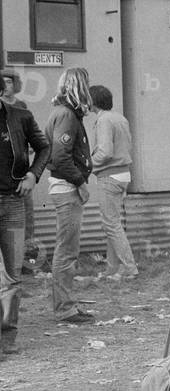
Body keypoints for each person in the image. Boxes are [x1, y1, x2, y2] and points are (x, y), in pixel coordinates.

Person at [0, 75, 49, 356]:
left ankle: (7, 339)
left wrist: (33, 174)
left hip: (12, 204)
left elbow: (44, 147)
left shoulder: (21, 117)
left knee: (12, 274)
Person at [45, 68, 94, 323]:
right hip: (67, 188)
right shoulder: (67, 116)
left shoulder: (64, 113)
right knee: (67, 250)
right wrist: (80, 183)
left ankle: (66, 305)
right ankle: (65, 308)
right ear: (79, 86)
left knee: (67, 249)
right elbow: (59, 157)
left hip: (64, 186)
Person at [88, 85, 139, 280]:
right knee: (112, 223)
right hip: (123, 174)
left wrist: (87, 164)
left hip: (109, 175)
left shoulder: (103, 120)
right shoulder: (119, 118)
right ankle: (112, 268)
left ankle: (129, 267)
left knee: (111, 224)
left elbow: (105, 152)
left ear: (93, 101)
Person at [1, 69, 40, 275]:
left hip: (21, 173)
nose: (6, 85)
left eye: (9, 81)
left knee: (28, 219)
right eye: (3, 82)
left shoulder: (21, 107)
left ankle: (29, 265)